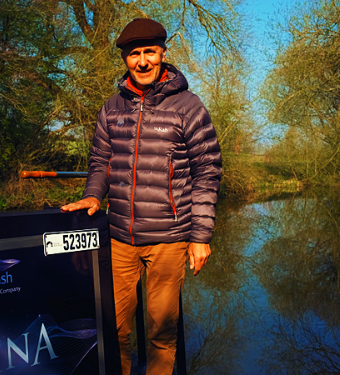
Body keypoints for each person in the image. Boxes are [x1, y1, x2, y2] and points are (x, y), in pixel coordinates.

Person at [61, 18, 222, 375]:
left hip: (169, 239)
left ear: (163, 54)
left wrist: (200, 236)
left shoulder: (189, 107)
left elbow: (207, 171)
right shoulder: (111, 108)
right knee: (114, 329)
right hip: (119, 238)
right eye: (135, 54)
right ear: (125, 59)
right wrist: (93, 196)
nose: (143, 61)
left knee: (161, 334)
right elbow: (101, 162)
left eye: (150, 52)